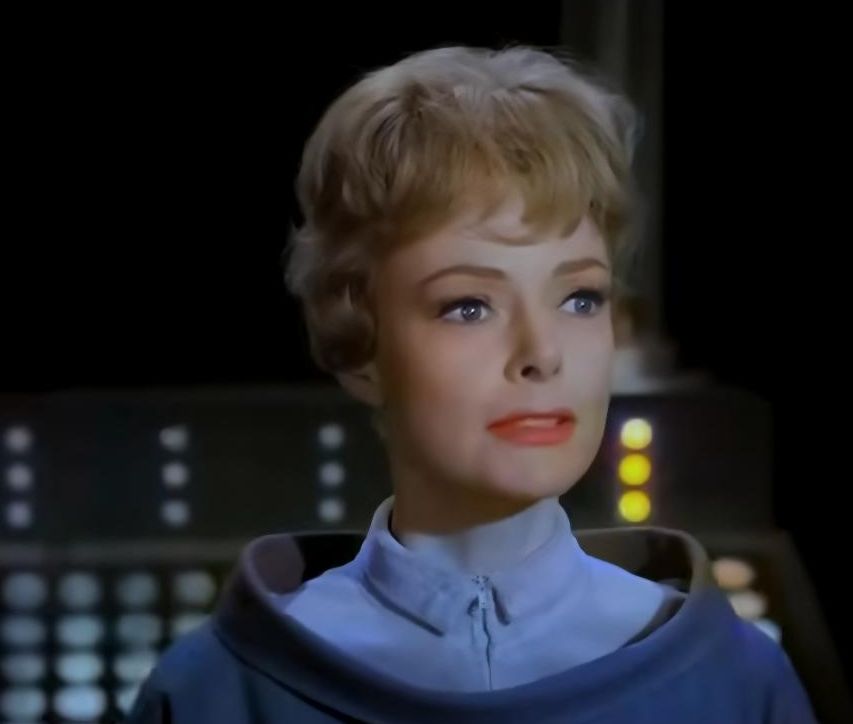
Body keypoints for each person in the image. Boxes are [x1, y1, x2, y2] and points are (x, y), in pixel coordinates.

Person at [127, 45, 817, 723]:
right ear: (360, 346)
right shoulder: (216, 692)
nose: (541, 354)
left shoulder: (735, 682)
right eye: (468, 306)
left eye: (579, 298)